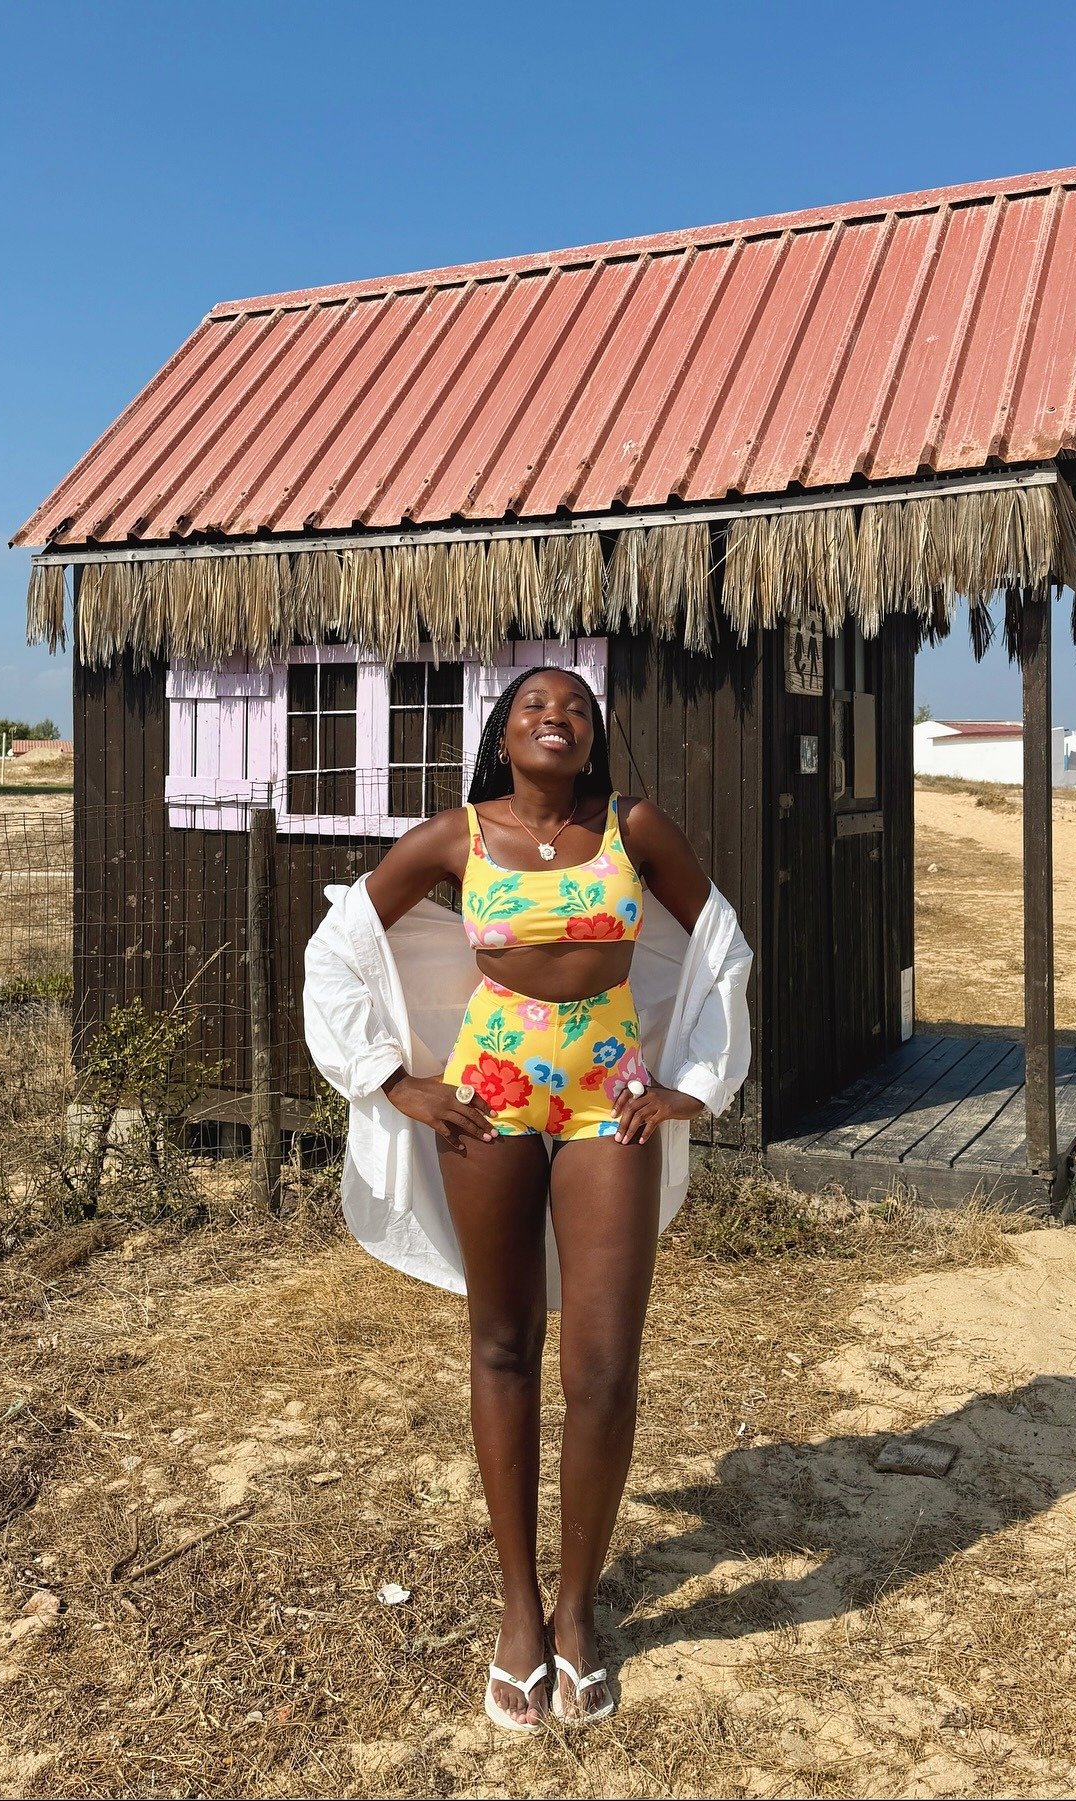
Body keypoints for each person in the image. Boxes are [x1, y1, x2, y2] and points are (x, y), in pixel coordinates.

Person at [304, 663, 752, 1731]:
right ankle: (518, 1617)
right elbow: (343, 942)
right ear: (503, 736)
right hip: (490, 1095)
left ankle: (580, 1612)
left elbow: (721, 940)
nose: (558, 718)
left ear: (594, 742)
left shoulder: (633, 827)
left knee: (601, 1366)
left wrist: (695, 1082)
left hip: (610, 1096)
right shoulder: (455, 838)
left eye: (579, 710)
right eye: (534, 707)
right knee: (502, 1344)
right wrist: (393, 1080)